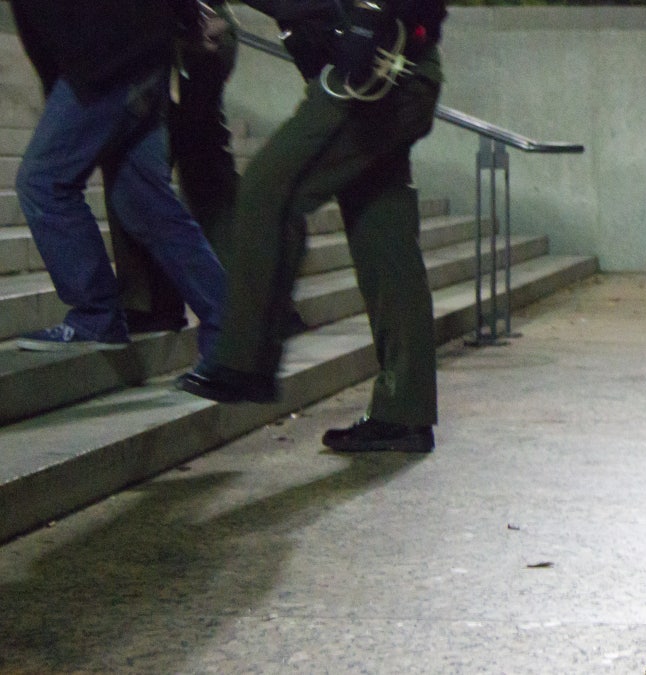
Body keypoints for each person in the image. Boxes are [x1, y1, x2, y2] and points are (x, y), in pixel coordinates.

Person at [177, 0, 447, 454]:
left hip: (376, 70)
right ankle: (404, 413)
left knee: (269, 189)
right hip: (394, 70)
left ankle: (246, 361)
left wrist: (367, 22)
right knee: (384, 241)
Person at [11, 0, 226, 357]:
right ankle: (232, 329)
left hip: (103, 63)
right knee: (145, 203)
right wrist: (188, 21)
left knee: (43, 183)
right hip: (144, 57)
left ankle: (96, 314)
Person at [110, 0, 242, 335]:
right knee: (198, 170)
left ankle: (157, 302)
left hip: (186, 33)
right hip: (183, 33)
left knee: (144, 172)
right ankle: (235, 300)